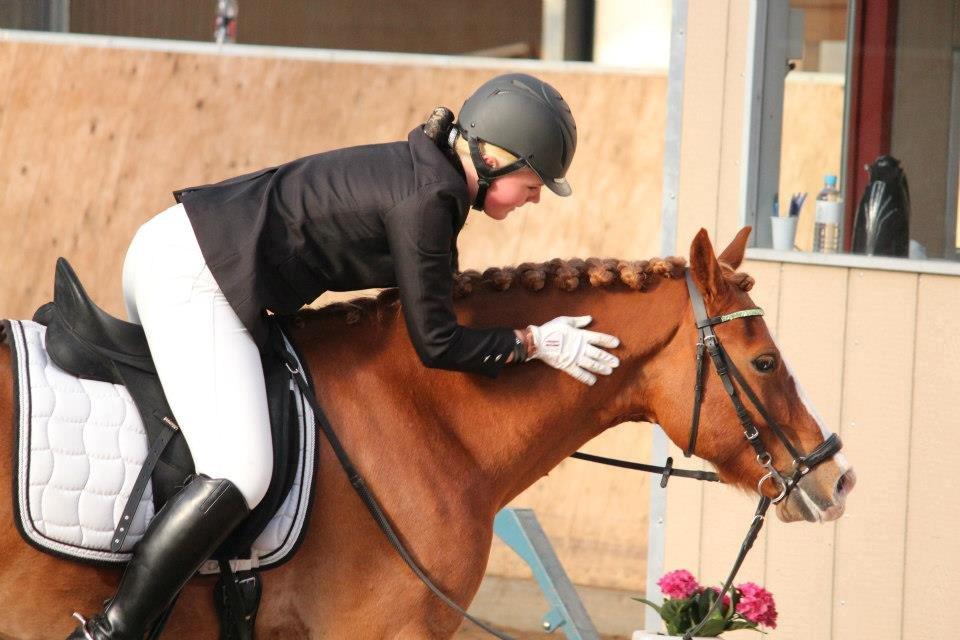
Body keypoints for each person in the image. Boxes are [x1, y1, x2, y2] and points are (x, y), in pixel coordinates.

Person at [67, 72, 621, 639]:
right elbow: (436, 342)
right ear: (496, 158)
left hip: (185, 252)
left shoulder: (427, 179)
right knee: (241, 471)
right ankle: (111, 631)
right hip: (195, 277)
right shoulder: (429, 199)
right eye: (533, 183)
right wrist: (534, 342)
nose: (534, 198)